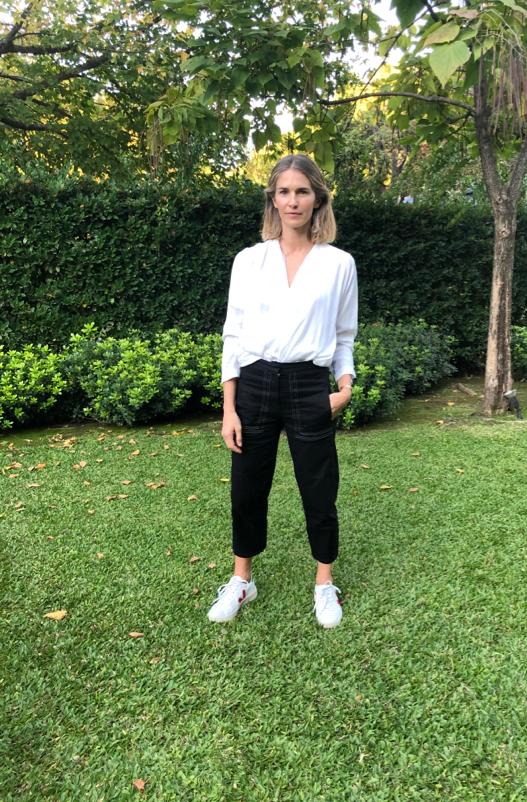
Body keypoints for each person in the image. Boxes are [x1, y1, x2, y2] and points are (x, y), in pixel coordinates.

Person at [207, 154, 358, 629]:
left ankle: (324, 583)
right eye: (284, 192)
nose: (293, 201)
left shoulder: (339, 264)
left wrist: (345, 387)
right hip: (254, 384)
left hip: (309, 385)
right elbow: (233, 336)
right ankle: (242, 579)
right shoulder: (249, 260)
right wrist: (229, 408)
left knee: (319, 488)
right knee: (247, 488)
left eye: (302, 191)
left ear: (318, 199)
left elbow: (345, 335)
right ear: (272, 199)